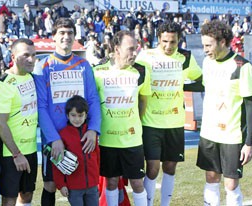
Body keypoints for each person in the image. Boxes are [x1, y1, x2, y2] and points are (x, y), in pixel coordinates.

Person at [32, 18, 101, 206]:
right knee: (50, 184)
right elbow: (42, 106)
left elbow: (93, 99)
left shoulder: (83, 65)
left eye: (70, 33)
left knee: (84, 183)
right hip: (55, 138)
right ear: (53, 36)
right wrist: (54, 138)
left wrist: (93, 129)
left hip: (81, 136)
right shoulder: (42, 66)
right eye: (61, 33)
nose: (66, 36)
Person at [135, 21, 202, 206]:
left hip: (175, 122)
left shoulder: (186, 57)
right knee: (153, 168)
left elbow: (201, 79)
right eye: (165, 41)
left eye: (173, 42)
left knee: (170, 167)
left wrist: (183, 85)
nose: (169, 46)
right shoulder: (145, 56)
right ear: (158, 39)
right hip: (151, 121)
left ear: (179, 40)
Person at [198, 20, 252, 206]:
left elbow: (250, 105)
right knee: (211, 177)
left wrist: (249, 143)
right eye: (203, 45)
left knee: (230, 184)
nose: (205, 50)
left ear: (222, 42)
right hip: (208, 133)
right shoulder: (207, 63)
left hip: (232, 135)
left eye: (209, 45)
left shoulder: (242, 66)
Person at [94, 30, 151, 206]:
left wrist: (134, 122)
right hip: (107, 140)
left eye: (136, 49)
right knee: (111, 182)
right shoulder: (98, 71)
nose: (134, 53)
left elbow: (143, 101)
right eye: (130, 49)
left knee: (137, 183)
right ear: (117, 49)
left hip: (132, 139)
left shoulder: (141, 71)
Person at [0, 38, 38, 206]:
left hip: (32, 149)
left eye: (34, 55)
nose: (31, 59)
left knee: (27, 195)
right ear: (13, 56)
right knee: (9, 199)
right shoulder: (3, 84)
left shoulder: (32, 78)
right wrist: (16, 154)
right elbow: (0, 123)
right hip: (11, 154)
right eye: (25, 55)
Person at [52, 95, 100, 206]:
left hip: (92, 185)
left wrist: (96, 178)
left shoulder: (91, 133)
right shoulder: (62, 135)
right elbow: (57, 163)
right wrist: (61, 184)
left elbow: (97, 155)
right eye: (73, 115)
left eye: (80, 115)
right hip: (73, 187)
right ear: (67, 116)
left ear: (86, 115)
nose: (77, 119)